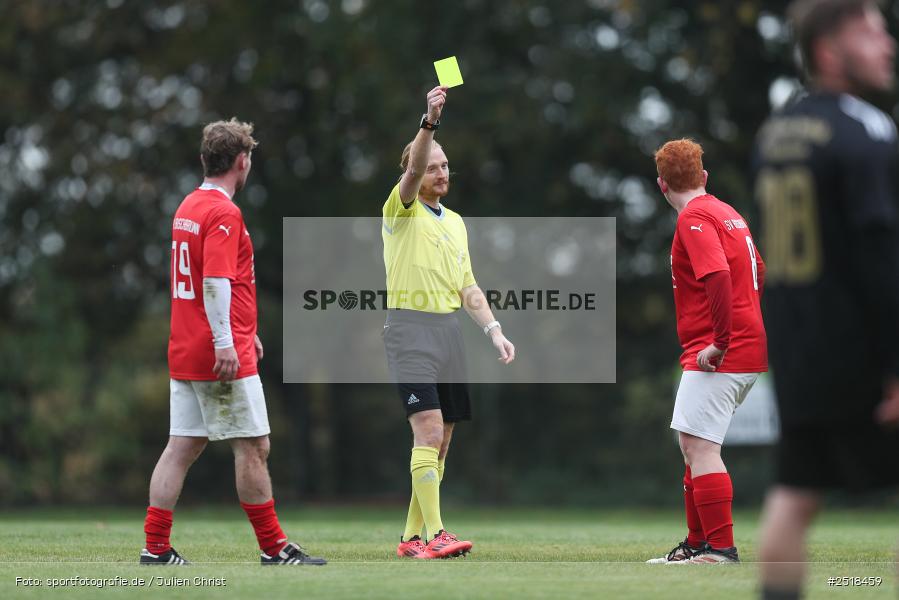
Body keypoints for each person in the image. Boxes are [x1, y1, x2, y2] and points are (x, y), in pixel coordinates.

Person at [753, 1, 899, 597]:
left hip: (799, 351)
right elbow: (880, 257)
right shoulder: (867, 128)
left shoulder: (774, 133)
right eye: (870, 32)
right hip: (862, 350)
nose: (887, 44)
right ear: (828, 50)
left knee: (794, 496)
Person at [140, 118, 326, 566]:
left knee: (181, 447)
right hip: (217, 353)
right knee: (254, 446)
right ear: (242, 162)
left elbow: (209, 284)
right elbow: (215, 281)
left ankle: (155, 547)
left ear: (205, 159)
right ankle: (273, 547)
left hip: (187, 347)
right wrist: (226, 340)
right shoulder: (224, 213)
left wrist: (244, 329)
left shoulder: (188, 205)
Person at [382, 86, 516, 560]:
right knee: (428, 430)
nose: (441, 172)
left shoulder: (456, 221)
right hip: (409, 329)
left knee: (442, 440)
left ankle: (409, 538)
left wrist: (494, 330)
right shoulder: (401, 209)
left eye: (444, 166)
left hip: (449, 332)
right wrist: (430, 120)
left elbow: (467, 285)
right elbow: (413, 167)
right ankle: (436, 534)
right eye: (432, 166)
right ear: (414, 173)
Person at [647, 139, 768, 565]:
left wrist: (721, 340)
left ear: (662, 184)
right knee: (693, 442)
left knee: (699, 447)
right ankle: (697, 545)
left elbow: (716, 274)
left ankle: (719, 550)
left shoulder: (694, 217)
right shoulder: (726, 211)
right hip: (742, 344)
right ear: (704, 176)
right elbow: (758, 271)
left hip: (720, 351)